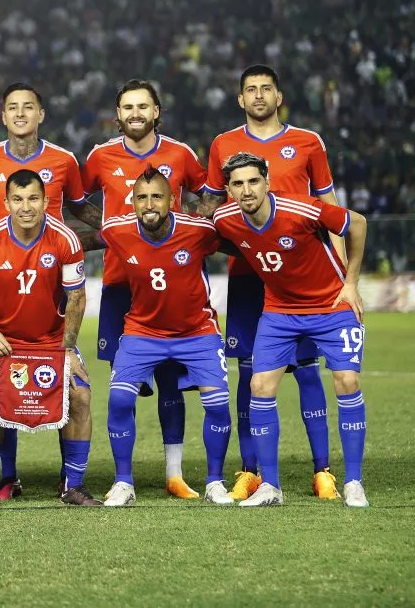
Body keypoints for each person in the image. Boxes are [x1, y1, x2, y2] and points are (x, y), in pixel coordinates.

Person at [200, 64, 347, 501]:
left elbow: (329, 205)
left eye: (267, 89)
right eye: (251, 90)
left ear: (278, 96)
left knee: (306, 370)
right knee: (248, 372)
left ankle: (322, 471)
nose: (259, 96)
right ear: (240, 99)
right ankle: (252, 471)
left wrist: (340, 272)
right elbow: (212, 212)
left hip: (304, 279)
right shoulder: (223, 145)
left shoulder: (307, 142)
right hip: (249, 276)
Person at [0, 82, 103, 500]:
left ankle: (73, 485)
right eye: (16, 199)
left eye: (33, 199)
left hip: (51, 338)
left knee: (80, 396)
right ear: (5, 201)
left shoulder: (65, 235)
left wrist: (66, 348)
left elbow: (77, 296)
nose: (25, 206)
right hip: (4, 333)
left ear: (47, 200)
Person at [212, 153, 369, 508]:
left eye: (253, 181)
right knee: (259, 385)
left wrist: (352, 282)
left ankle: (354, 481)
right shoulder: (225, 218)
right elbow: (210, 237)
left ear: (267, 182)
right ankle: (271, 487)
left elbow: (356, 223)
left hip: (331, 305)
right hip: (280, 311)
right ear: (228, 189)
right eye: (238, 184)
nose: (247, 190)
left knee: (347, 381)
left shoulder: (302, 209)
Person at [81, 79, 209, 499]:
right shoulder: (100, 156)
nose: (135, 113)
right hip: (122, 284)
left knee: (172, 383)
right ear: (117, 115)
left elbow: (208, 199)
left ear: (157, 111)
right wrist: (109, 231)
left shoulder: (181, 154)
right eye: (127, 107)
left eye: (143, 106)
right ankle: (124, 479)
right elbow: (78, 203)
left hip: (174, 283)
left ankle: (174, 474)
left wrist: (187, 233)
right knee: (126, 386)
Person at [98, 167, 234, 506]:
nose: (149, 204)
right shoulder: (116, 230)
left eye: (157, 196)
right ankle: (123, 483)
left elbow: (239, 241)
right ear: (131, 202)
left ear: (172, 200)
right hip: (142, 331)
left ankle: (215, 482)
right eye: (141, 198)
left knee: (217, 405)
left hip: (197, 331)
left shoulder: (199, 230)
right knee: (119, 400)